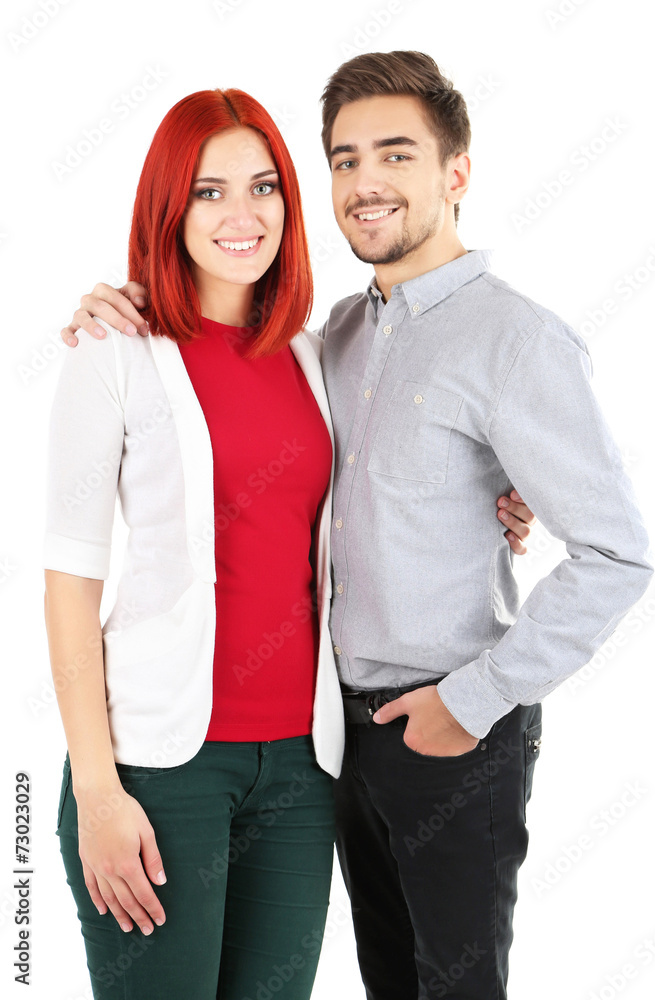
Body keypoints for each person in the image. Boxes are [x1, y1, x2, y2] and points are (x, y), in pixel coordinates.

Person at [46, 84, 536, 1000]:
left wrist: (499, 501)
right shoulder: (113, 350)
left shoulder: (316, 353)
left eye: (263, 186)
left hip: (303, 770)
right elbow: (68, 581)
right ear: (168, 205)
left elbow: (388, 484)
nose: (242, 215)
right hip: (159, 767)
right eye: (208, 191)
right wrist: (97, 789)